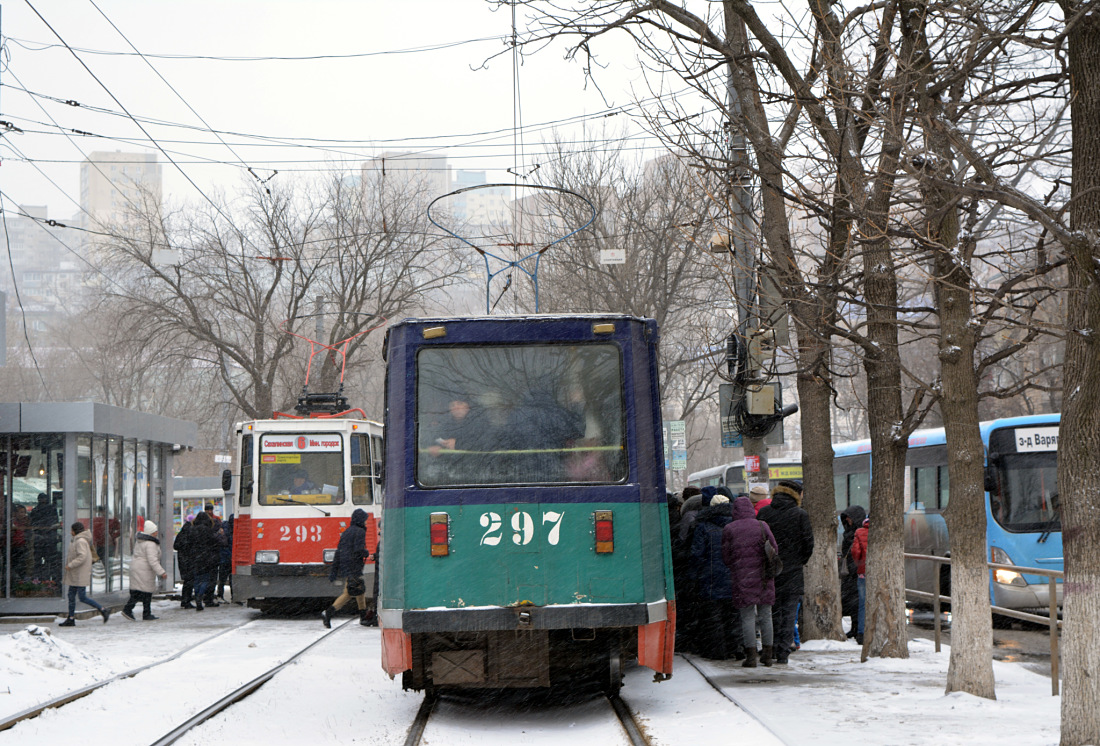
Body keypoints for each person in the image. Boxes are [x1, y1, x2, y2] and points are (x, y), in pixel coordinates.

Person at [757, 479, 814, 665]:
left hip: (770, 571)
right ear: (796, 494)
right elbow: (808, 544)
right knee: (789, 614)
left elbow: (759, 542)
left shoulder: (765, 513)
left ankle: (770, 648)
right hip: (793, 572)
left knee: (771, 612)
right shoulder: (800, 515)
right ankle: (783, 652)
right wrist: (798, 561)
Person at [722, 494, 778, 667]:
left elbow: (726, 556)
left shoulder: (729, 529)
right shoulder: (762, 525)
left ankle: (751, 656)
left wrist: (738, 567)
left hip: (742, 578)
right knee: (766, 616)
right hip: (764, 577)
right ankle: (768, 655)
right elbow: (774, 548)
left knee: (747, 617)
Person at [690, 490, 741, 660]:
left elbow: (697, 554)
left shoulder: (703, 526)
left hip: (710, 577)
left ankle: (717, 650)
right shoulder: (737, 525)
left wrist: (694, 575)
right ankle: (734, 647)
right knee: (732, 615)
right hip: (734, 577)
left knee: (713, 617)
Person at [322, 508, 370, 628]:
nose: (366, 522)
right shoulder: (360, 532)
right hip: (354, 565)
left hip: (346, 564)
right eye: (365, 520)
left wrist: (334, 570)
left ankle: (363, 615)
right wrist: (366, 553)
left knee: (359, 589)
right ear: (361, 520)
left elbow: (339, 551)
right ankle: (328, 612)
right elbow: (358, 550)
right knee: (349, 593)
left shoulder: (347, 531)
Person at [60, 522, 110, 626]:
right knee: (71, 595)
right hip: (76, 573)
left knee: (82, 597)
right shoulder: (78, 540)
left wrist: (71, 565)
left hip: (79, 573)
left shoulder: (80, 541)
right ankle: (71, 617)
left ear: (75, 531)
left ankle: (103, 609)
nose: (70, 532)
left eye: (71, 530)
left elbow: (82, 556)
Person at [121, 521, 168, 621]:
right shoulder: (150, 544)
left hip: (138, 568)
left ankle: (141, 612)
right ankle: (133, 610)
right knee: (145, 592)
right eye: (155, 531)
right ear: (151, 532)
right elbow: (152, 560)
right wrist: (161, 572)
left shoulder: (140, 541)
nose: (157, 532)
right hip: (144, 570)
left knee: (140, 591)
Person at [839, 504, 867, 639]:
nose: (848, 520)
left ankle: (857, 628)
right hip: (851, 572)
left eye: (849, 518)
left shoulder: (856, 532)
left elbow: (856, 552)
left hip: (855, 571)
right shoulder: (851, 532)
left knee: (857, 602)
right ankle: (854, 627)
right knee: (852, 602)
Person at [188, 510, 222, 611]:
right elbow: (215, 542)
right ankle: (200, 595)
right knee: (206, 579)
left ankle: (197, 593)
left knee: (197, 578)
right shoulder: (208, 530)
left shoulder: (192, 529)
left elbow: (188, 543)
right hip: (207, 558)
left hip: (195, 558)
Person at [29, 493, 62, 582]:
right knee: (49, 561)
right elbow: (55, 522)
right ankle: (48, 579)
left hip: (41, 539)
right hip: (48, 539)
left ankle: (40, 579)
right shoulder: (51, 509)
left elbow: (32, 523)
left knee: (39, 561)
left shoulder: (36, 510)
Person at [851, 515, 870, 645]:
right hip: (879, 572)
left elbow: (855, 551)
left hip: (863, 573)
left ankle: (861, 633)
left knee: (863, 604)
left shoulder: (859, 532)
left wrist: (860, 564)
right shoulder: (882, 530)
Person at [174, 514, 196, 608]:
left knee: (187, 581)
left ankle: (185, 600)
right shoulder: (189, 532)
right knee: (189, 581)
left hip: (183, 560)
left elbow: (176, 545)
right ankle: (186, 600)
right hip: (187, 561)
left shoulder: (183, 532)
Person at [217, 514, 234, 601]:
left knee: (222, 580)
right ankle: (233, 596)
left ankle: (220, 595)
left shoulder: (223, 529)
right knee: (232, 579)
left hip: (224, 558)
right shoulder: (232, 531)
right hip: (230, 559)